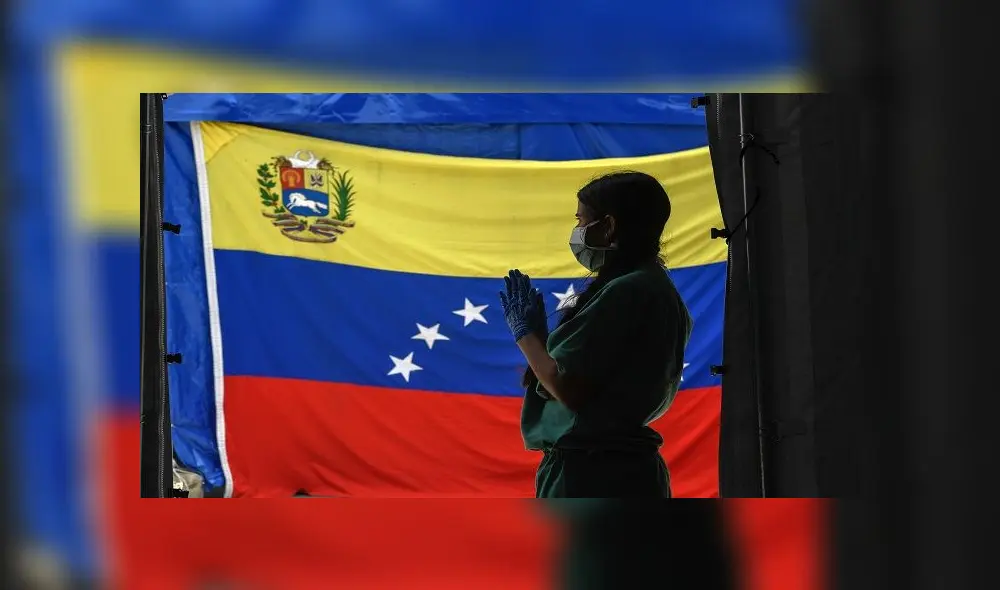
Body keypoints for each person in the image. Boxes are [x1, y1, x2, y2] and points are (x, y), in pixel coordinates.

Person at [498, 171, 693, 498]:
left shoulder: (629, 290)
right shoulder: (652, 285)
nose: (576, 231)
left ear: (609, 225)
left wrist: (525, 336)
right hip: (619, 469)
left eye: (581, 220)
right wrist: (544, 342)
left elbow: (569, 389)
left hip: (592, 474)